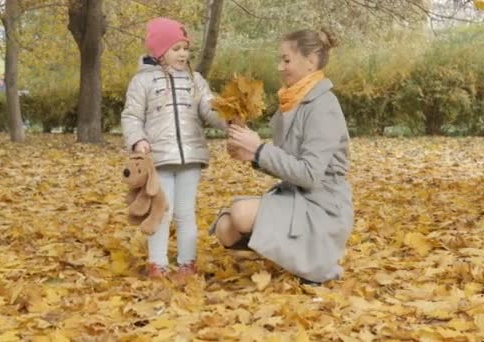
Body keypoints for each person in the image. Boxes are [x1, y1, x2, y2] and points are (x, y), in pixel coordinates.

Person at [209, 28, 354, 285]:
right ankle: (293, 254)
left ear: (310, 62)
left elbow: (309, 174)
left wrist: (259, 151)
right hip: (297, 196)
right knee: (226, 229)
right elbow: (286, 163)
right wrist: (249, 153)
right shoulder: (291, 102)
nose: (280, 67)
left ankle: (313, 259)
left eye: (286, 60)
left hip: (322, 205)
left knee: (241, 213)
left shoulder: (323, 105)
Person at [121, 17, 226, 282]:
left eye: (185, 48)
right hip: (159, 159)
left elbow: (209, 109)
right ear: (159, 51)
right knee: (161, 212)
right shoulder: (142, 82)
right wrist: (137, 140)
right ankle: (157, 264)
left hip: (190, 157)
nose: (183, 54)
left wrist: (228, 115)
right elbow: (131, 115)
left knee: (185, 212)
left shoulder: (195, 80)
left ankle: (187, 264)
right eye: (176, 48)